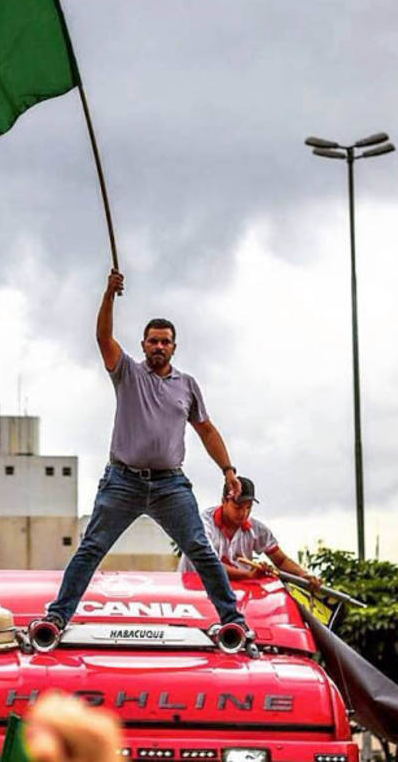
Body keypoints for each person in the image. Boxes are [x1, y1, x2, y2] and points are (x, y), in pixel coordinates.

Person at [40, 268, 256, 652]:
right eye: (153, 341)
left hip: (170, 485)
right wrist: (108, 293)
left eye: (166, 342)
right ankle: (58, 616)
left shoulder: (187, 386)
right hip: (123, 481)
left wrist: (228, 470)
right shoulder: (127, 373)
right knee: (91, 548)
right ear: (143, 345)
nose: (159, 347)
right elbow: (103, 337)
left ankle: (233, 621)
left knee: (201, 549)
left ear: (174, 347)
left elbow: (206, 429)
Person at [178, 476, 322, 591]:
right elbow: (210, 565)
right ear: (224, 501)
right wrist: (248, 575)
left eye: (248, 507)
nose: (244, 513)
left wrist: (303, 575)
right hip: (192, 592)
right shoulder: (203, 525)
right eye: (238, 507)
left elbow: (281, 561)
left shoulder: (257, 530)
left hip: (230, 593)